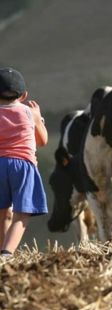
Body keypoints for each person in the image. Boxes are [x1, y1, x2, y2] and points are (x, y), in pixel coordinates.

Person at [0, 67, 48, 257]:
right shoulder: (29, 112)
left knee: (3, 213)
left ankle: (1, 252)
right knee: (22, 214)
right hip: (23, 166)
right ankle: (7, 253)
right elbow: (42, 141)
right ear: (24, 95)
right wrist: (38, 119)